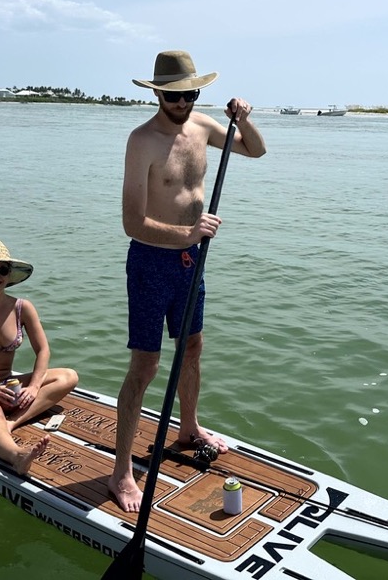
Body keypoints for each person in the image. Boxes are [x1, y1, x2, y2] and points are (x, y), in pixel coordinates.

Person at [108, 49, 267, 512]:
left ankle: (189, 427)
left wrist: (244, 118)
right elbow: (132, 223)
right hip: (151, 263)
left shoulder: (203, 127)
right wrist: (187, 232)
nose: (184, 101)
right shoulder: (141, 141)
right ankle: (121, 474)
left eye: (192, 93)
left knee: (193, 347)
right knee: (146, 367)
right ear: (158, 93)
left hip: (191, 263)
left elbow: (254, 149)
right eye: (176, 95)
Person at [0, 240, 79, 474]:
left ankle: (11, 423)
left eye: (2, 270)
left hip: (8, 386)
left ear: (10, 275)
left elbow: (43, 350)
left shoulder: (22, 307)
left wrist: (34, 387)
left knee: (68, 376)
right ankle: (17, 456)